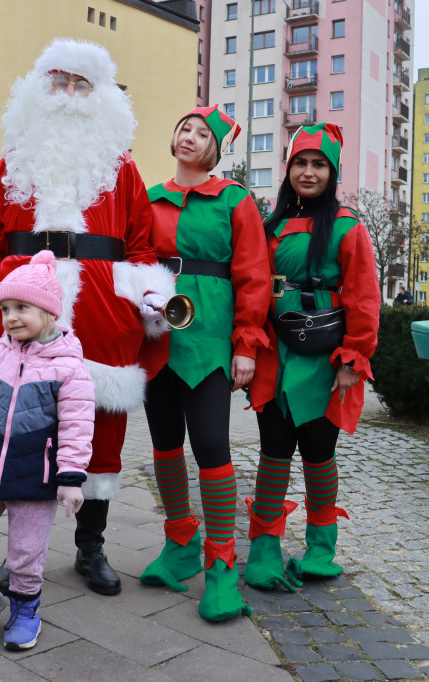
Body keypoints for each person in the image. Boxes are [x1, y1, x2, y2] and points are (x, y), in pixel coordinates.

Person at [0, 39, 174, 597]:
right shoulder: (10, 164)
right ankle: (3, 551)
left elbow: (141, 248)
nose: (69, 94)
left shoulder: (124, 171)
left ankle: (90, 547)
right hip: (18, 312)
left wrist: (149, 296)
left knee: (96, 430)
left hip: (99, 312)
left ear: (102, 97)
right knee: (12, 425)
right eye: (59, 82)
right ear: (38, 90)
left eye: (81, 84)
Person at [137, 105, 271, 622]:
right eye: (184, 128)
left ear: (215, 150)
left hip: (212, 342)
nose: (190, 137)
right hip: (157, 338)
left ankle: (220, 566)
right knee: (165, 444)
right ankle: (179, 544)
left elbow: (254, 274)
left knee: (211, 446)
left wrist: (246, 344)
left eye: (202, 133)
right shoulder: (148, 199)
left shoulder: (234, 200)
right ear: (173, 138)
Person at [245, 122, 380, 591]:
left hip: (324, 359)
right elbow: (253, 289)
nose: (308, 172)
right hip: (274, 357)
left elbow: (364, 299)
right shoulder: (269, 226)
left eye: (318, 164)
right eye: (300, 163)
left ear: (332, 171)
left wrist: (351, 362)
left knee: (319, 456)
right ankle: (263, 549)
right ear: (288, 169)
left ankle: (321, 549)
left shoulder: (348, 227)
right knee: (273, 454)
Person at [0, 250, 95, 651]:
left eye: (22, 307)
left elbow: (77, 427)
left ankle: (26, 607)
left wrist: (70, 478)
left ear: (49, 313)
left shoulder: (69, 367)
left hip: (36, 477)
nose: (11, 316)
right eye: (5, 308)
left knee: (25, 555)